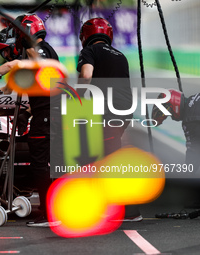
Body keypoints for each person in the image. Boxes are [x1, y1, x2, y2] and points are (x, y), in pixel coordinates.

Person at [0, 14, 59, 227]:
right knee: (54, 165)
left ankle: (48, 213)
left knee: (40, 165)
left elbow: (13, 67)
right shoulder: (48, 50)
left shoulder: (38, 53)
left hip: (46, 117)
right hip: (50, 114)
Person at [77, 17, 140, 222]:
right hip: (124, 110)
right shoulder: (120, 55)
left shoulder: (90, 52)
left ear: (85, 36)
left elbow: (86, 75)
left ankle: (127, 209)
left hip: (107, 111)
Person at [152, 89, 200, 171]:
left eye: (169, 114)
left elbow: (193, 152)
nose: (172, 117)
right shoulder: (195, 98)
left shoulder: (189, 120)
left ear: (174, 107)